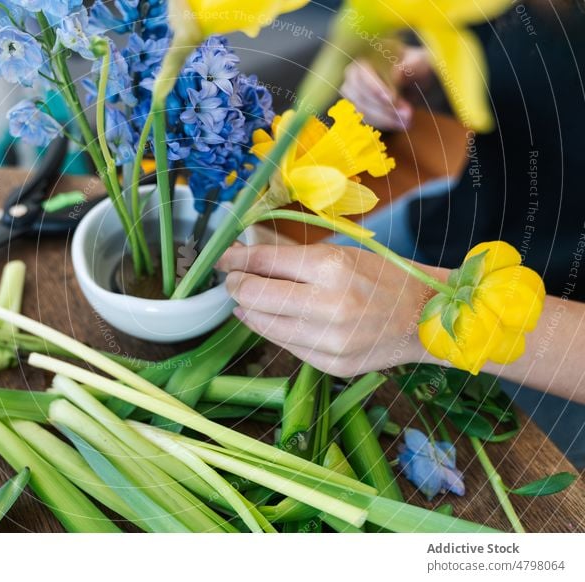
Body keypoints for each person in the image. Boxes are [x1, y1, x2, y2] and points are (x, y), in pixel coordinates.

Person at [216, 1, 585, 467]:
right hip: (448, 227)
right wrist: (422, 77)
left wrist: (421, 318)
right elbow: (533, 77)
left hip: (553, 355)